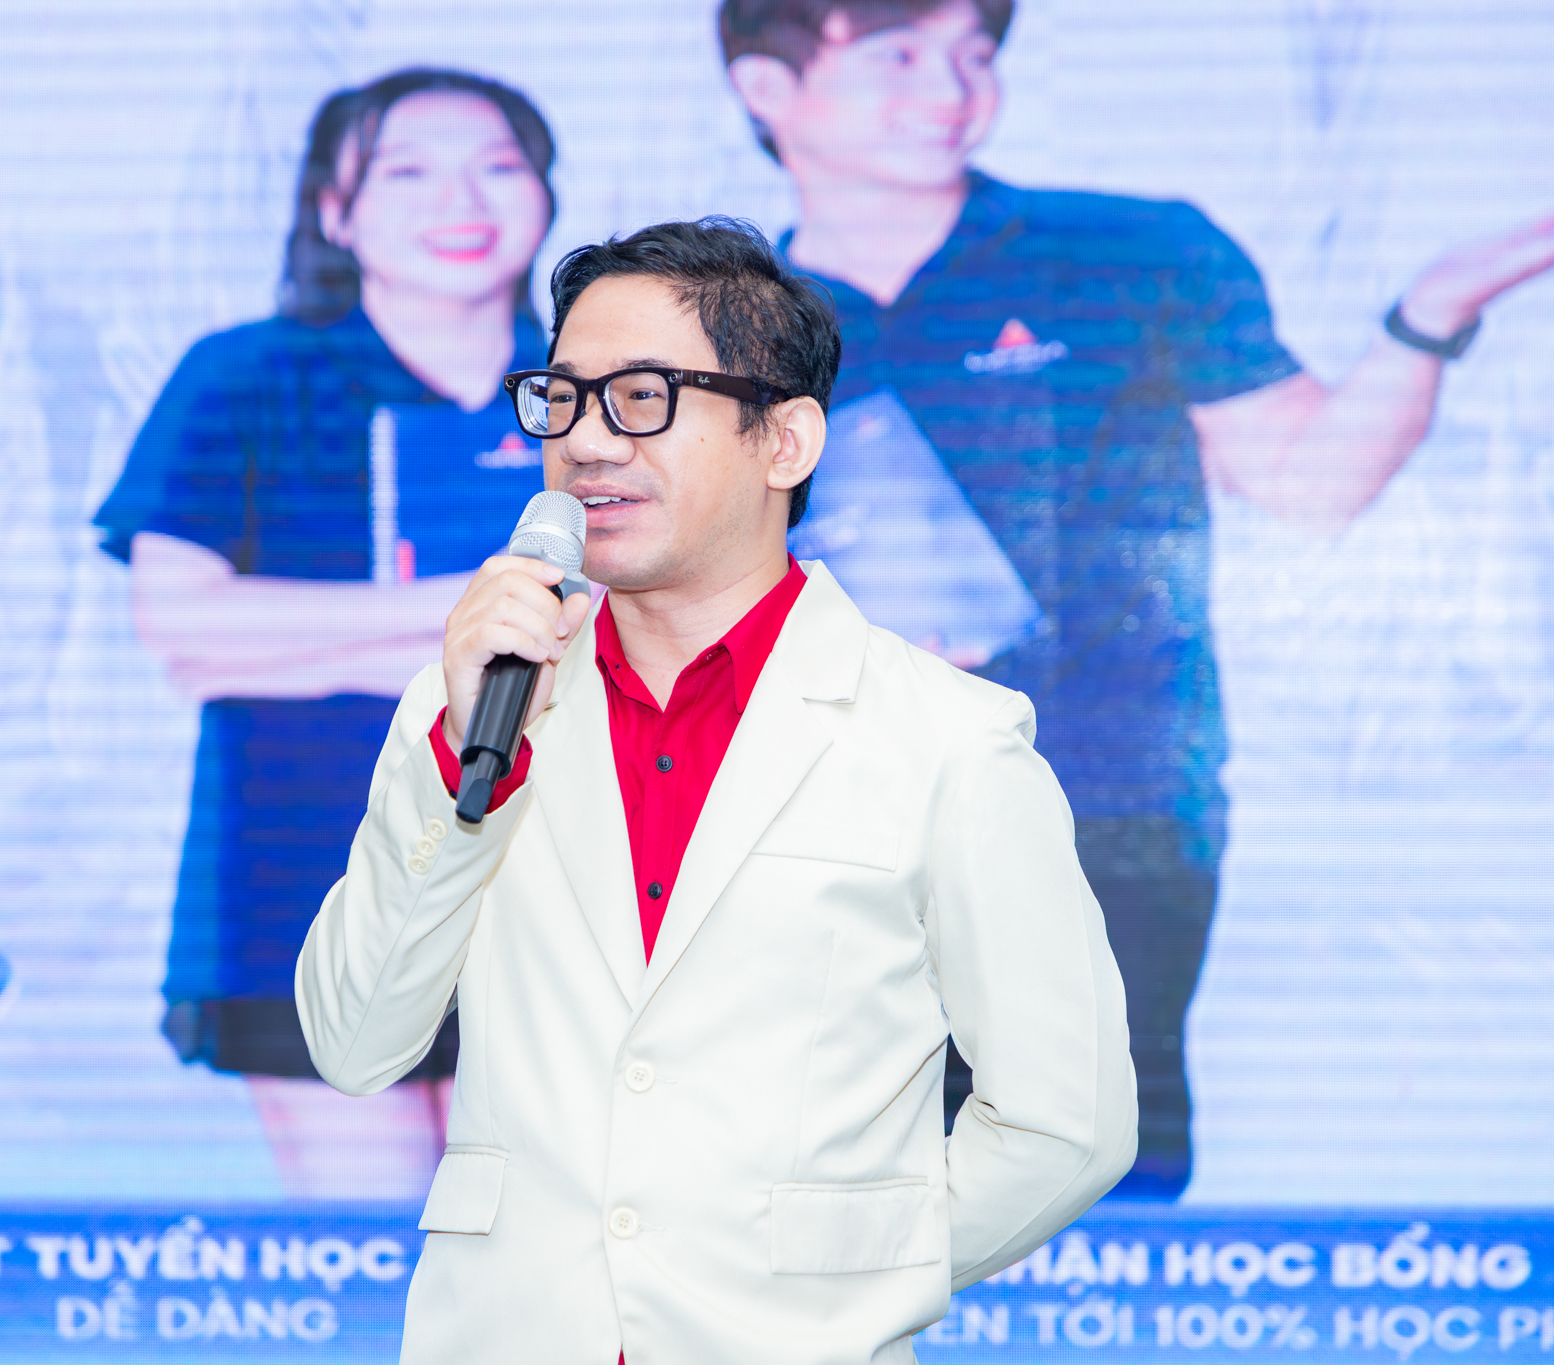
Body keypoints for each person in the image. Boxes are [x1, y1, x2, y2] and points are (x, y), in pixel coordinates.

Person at [718, 0, 1554, 1197]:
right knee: (833, 1179)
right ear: (767, 88)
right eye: (898, 55)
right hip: (818, 813)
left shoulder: (1136, 252)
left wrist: (1425, 322)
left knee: (1096, 1168)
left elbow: (1308, 483)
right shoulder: (712, 320)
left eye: (973, 54)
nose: (950, 87)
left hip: (1108, 796)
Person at [295, 218, 1135, 1360]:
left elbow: (1066, 1122)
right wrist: (458, 760)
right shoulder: (469, 706)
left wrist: (842, 1276)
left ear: (784, 438)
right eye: (562, 399)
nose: (587, 442)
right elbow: (352, 1041)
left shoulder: (949, 740)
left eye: (642, 398)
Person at [91, 67, 557, 1189]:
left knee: (541, 1255)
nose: (461, 201)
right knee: (372, 1258)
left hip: (557, 872)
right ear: (335, 211)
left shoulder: (601, 389)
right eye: (407, 173)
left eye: (499, 168)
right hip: (304, 870)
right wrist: (474, 611)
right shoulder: (244, 375)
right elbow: (179, 622)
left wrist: (293, 645)